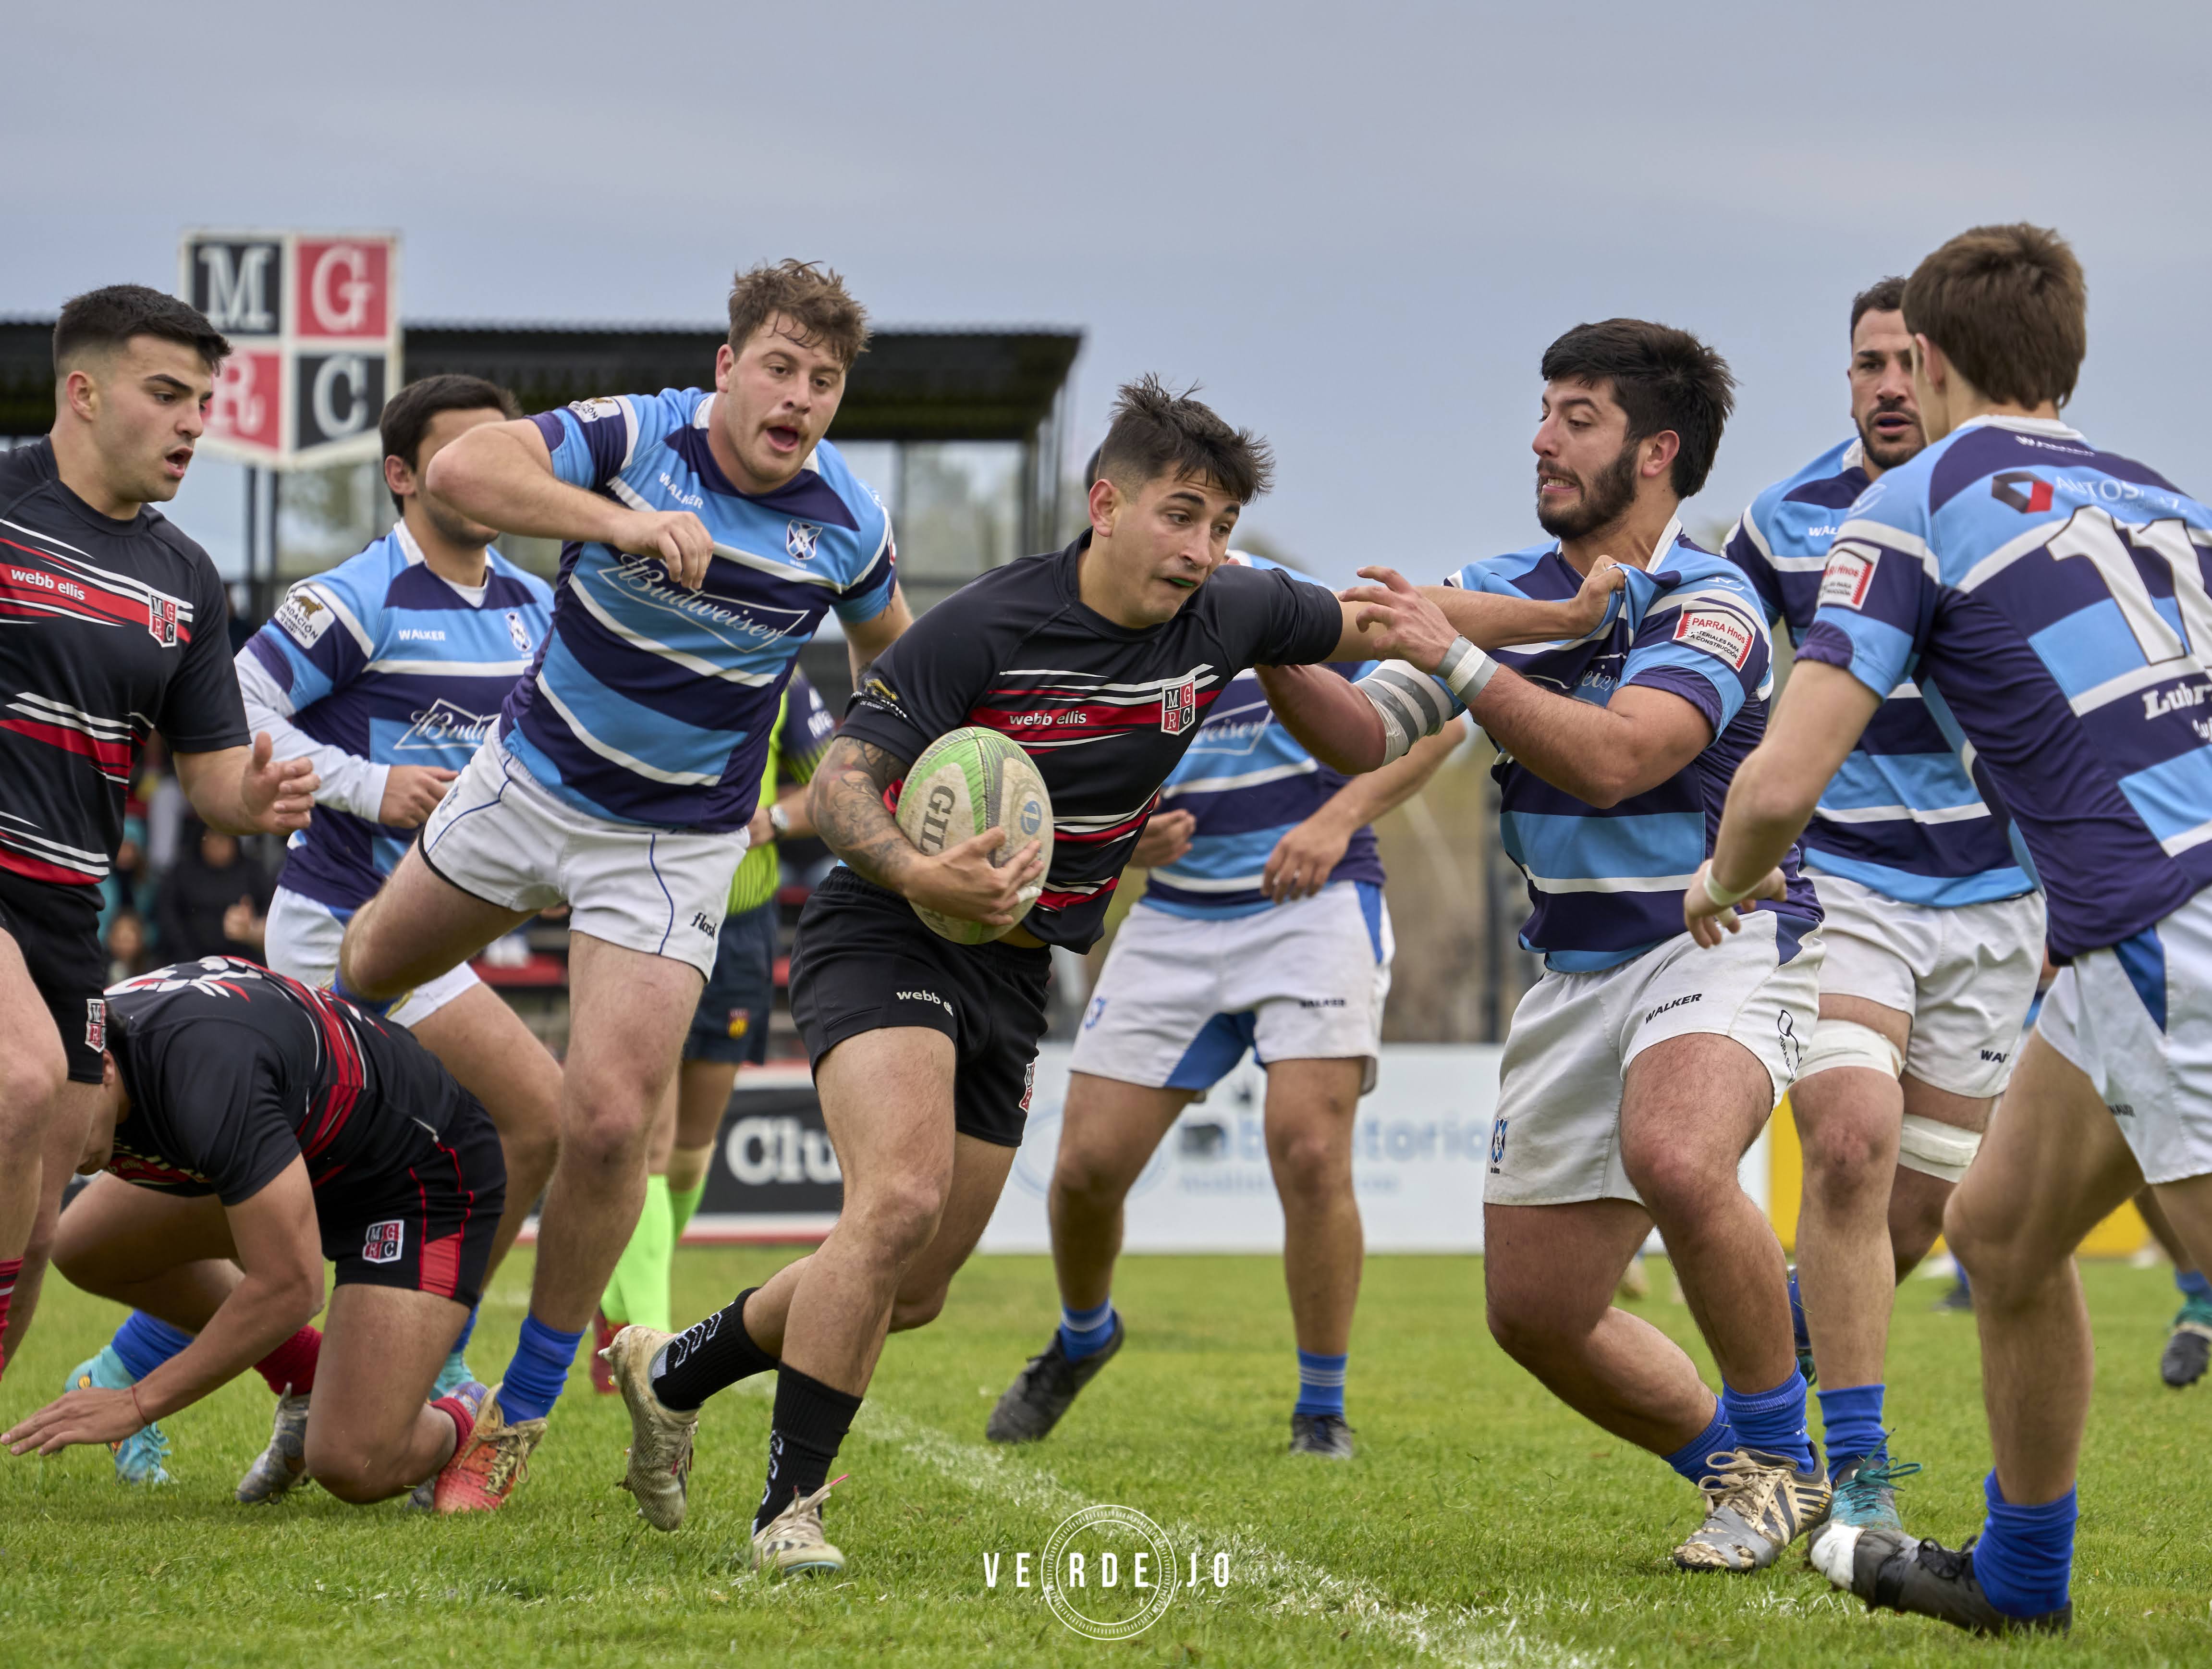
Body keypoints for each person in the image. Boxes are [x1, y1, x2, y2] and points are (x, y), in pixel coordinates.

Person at [599, 374, 1621, 1579]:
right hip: (886, 929)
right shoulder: (985, 624)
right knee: (897, 1202)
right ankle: (790, 1511)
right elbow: (839, 786)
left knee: (909, 1287)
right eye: (1180, 515)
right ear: (1105, 505)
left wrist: (1557, 618)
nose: (1201, 547)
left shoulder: (1227, 608)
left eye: (1220, 525)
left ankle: (673, 1372)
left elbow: (1391, 617)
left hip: (1013, 966)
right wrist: (923, 871)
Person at [1687, 223, 2212, 1635]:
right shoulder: (2162, 497)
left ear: (1922, 359)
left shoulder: (1912, 499)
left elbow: (1777, 781)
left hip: (2162, 923)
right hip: (2101, 939)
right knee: (1997, 1236)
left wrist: (1719, 879)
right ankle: (2018, 1580)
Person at [1253, 321, 1832, 1572]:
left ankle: (1782, 1457)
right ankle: (1740, 1474)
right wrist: (1265, 638)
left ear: (1655, 451)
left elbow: (1621, 758)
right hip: (1573, 972)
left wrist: (1457, 656)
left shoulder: (1713, 598)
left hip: (1721, 934)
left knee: (1676, 1155)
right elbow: (1359, 734)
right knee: (1535, 1314)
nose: (1540, 439)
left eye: (1577, 418)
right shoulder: (1498, 585)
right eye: (1543, 411)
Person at [332, 260, 910, 1511]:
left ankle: (520, 1412)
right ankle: (378, 1201)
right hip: (526, 787)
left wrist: (928, 772)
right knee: (365, 968)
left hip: (673, 846)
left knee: (608, 1124)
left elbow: (896, 665)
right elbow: (461, 472)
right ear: (726, 367)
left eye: (823, 381)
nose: (799, 397)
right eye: (779, 367)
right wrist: (622, 525)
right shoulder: (636, 435)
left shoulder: (849, 522)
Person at [68, 375, 564, 1496]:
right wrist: (365, 783)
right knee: (530, 1117)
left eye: (508, 451)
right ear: (403, 475)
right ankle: (442, 1374)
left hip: (439, 931)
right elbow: (234, 709)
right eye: (463, 453)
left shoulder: (533, 604)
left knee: (301, 1186)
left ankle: (320, 1372)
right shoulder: (352, 597)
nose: (491, 472)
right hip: (344, 931)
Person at [986, 548, 1465, 1458]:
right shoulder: (1100, 636)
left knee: (1310, 1148)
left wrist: (1333, 821)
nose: (1191, 544)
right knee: (1083, 1170)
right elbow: (1062, 800)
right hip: (1175, 919)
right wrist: (1123, 841)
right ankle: (1084, 1335)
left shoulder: (1291, 609)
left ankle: (1321, 1408)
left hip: (1314, 909)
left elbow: (1442, 722)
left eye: (1208, 520)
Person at [1723, 278, 2045, 1536]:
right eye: (1868, 364)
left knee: (1914, 1213)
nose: (1889, 386)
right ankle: (1855, 1481)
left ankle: (1780, 1348)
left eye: (1911, 363)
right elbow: (1720, 669)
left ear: (1947, 370)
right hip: (1844, 880)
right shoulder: (1781, 520)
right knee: (1848, 1145)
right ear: (1845, 377)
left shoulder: (2015, 511)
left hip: (1999, 899)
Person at [0, 284, 316, 1383]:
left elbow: (212, 775)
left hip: (66, 911)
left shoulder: (185, 577)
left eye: (205, 401)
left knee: (45, 1197)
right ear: (83, 393)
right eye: (168, 394)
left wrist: (254, 797)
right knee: (20, 1084)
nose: (194, 422)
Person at [1, 957, 504, 1508]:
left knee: (352, 1461)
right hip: (305, 1151)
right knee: (85, 1245)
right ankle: (308, 1379)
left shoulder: (201, 1075)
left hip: (417, 1176)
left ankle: (466, 1420)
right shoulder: (82, 1056)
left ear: (105, 1070)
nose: (48, 1145)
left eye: (58, 1116)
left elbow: (292, 1287)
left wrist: (136, 1403)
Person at [593, 668, 835, 1366]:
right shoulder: (636, 661)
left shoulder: (787, 681)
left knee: (691, 1151)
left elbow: (838, 785)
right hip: (646, 916)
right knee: (652, 1140)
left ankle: (618, 1305)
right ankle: (650, 1347)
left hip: (741, 926)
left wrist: (774, 820)